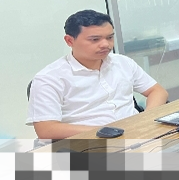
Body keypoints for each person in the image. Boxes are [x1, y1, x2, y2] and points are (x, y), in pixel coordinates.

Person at [26, 10, 168, 140]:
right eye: (95, 39)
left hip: (137, 134)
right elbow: (46, 129)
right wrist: (107, 131)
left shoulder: (122, 62)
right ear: (70, 41)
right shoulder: (49, 78)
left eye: (110, 37)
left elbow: (157, 91)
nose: (105, 44)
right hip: (87, 143)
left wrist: (146, 119)